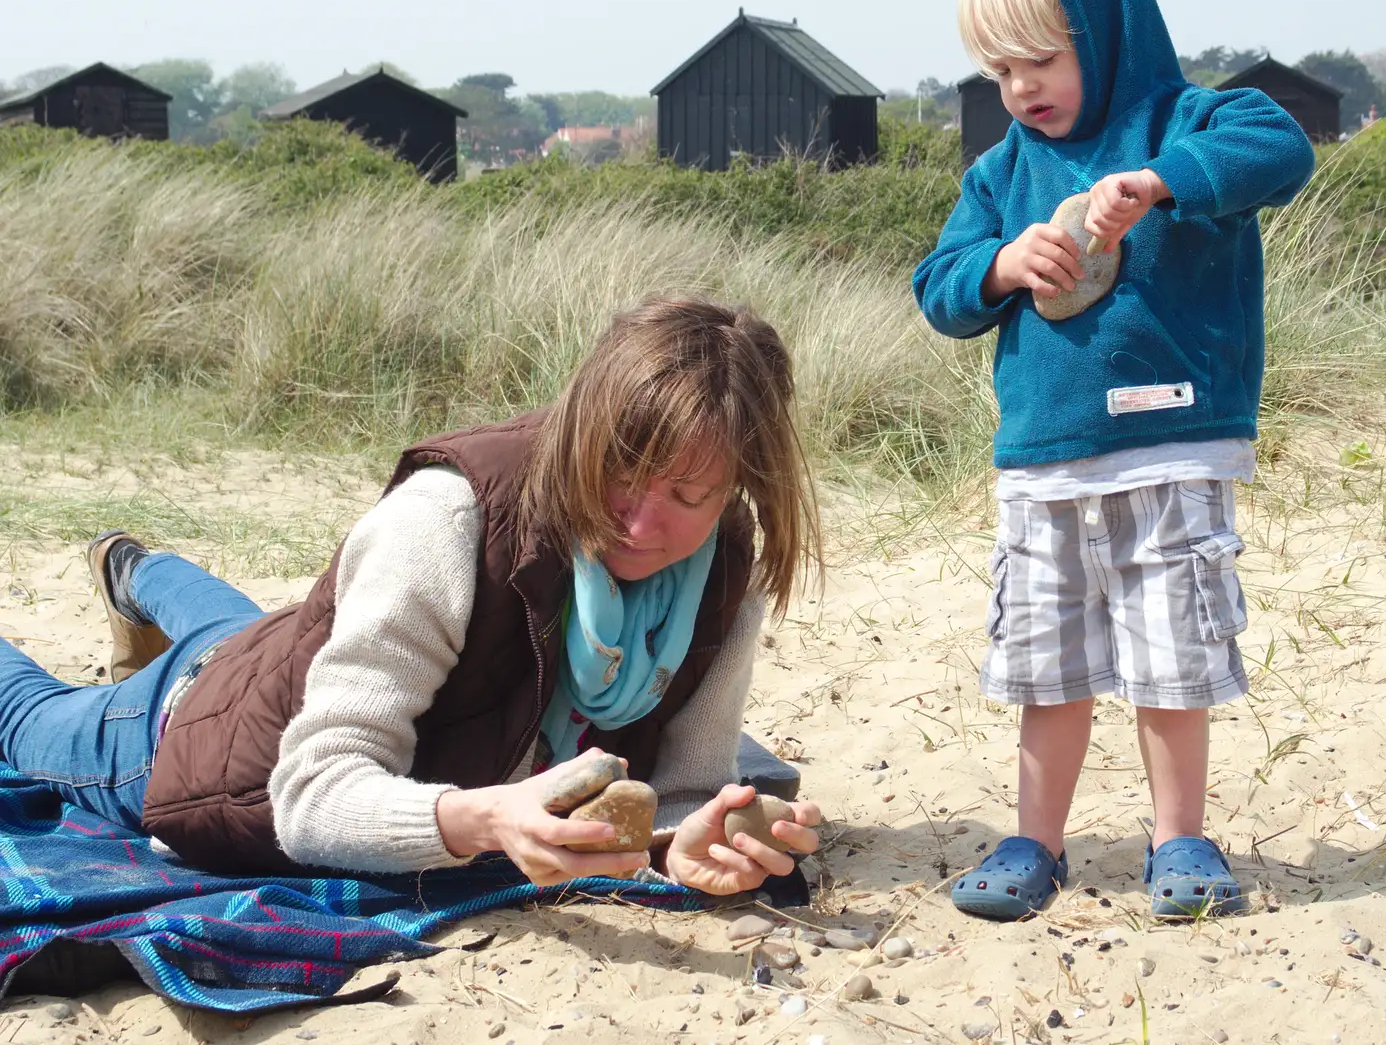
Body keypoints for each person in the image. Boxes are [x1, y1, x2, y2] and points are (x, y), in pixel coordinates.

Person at [0, 297, 823, 896]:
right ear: (582, 430)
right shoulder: (443, 520)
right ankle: (136, 577)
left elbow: (685, 785)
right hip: (189, 730)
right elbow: (312, 795)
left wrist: (683, 843)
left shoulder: (725, 568)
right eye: (621, 473)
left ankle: (135, 569)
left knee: (252, 634)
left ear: (737, 488)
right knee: (28, 714)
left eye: (688, 496)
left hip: (299, 654)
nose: (643, 522)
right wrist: (487, 821)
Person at [913, 0, 1315, 920]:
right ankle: (1033, 840)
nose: (1018, 88)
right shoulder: (1001, 172)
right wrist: (1001, 266)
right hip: (1043, 461)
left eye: (1040, 58)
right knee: (1047, 668)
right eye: (998, 69)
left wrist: (1161, 182)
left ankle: (1178, 837)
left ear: (1108, 24)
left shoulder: (1188, 123)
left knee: (1170, 662)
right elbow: (939, 287)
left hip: (1172, 446)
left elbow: (1280, 148)